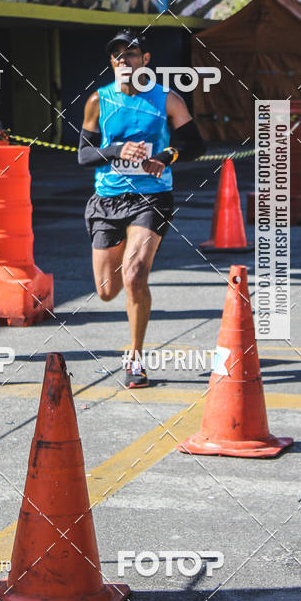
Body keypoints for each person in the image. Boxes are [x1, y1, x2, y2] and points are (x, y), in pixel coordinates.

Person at [78, 29, 205, 388]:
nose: (123, 61)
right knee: (106, 290)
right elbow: (84, 155)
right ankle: (127, 278)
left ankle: (134, 358)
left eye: (131, 54)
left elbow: (195, 146)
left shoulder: (167, 99)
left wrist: (167, 155)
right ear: (111, 63)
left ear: (145, 60)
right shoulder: (97, 101)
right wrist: (117, 151)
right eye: (117, 56)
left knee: (134, 274)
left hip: (152, 198)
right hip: (107, 199)